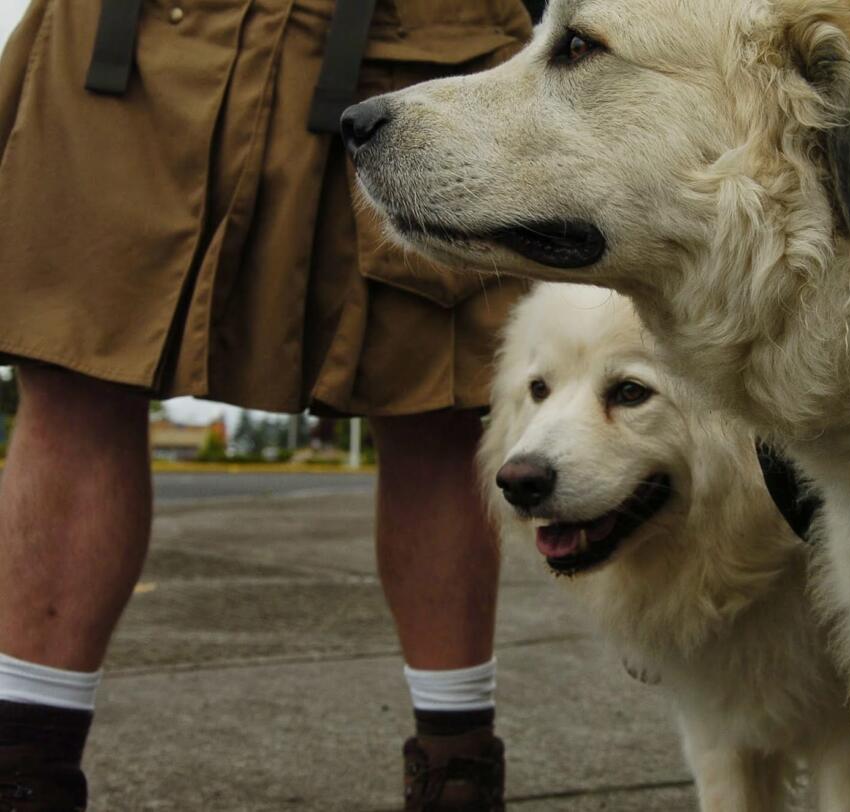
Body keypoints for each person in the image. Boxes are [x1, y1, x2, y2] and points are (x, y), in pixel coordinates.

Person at [0, 1, 533, 809]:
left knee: (437, 395)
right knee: (76, 360)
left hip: (418, 28)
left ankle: (456, 775)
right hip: (137, 29)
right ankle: (21, 774)